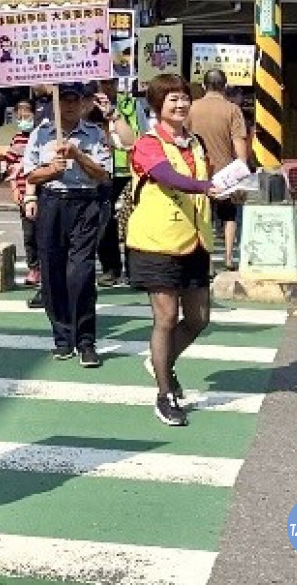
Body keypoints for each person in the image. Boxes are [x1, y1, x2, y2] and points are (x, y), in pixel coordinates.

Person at [126, 74, 216, 426]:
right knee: (165, 318)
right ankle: (164, 395)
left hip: (194, 242)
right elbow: (167, 177)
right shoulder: (148, 143)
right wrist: (207, 186)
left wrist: (226, 191)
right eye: (171, 99)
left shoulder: (196, 142)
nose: (180, 105)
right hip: (157, 243)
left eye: (183, 98)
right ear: (157, 106)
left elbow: (202, 183)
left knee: (198, 319)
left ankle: (159, 361)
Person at [24, 82, 111, 366]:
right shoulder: (41, 134)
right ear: (55, 104)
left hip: (86, 202)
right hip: (52, 202)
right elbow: (30, 175)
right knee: (52, 273)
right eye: (65, 100)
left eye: (75, 100)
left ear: (84, 103)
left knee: (81, 272)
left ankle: (86, 340)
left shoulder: (95, 134)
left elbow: (104, 174)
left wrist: (78, 155)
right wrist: (51, 170)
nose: (70, 106)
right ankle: (62, 337)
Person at [188, 69, 248, 272]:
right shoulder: (232, 110)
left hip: (199, 170)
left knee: (203, 216)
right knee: (229, 216)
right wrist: (242, 167)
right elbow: (239, 144)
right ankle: (229, 257)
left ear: (204, 86)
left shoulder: (191, 108)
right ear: (224, 86)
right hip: (226, 171)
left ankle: (208, 261)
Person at [89, 80, 142, 286]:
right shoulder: (87, 104)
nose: (107, 86)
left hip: (128, 170)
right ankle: (110, 268)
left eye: (111, 81)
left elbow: (141, 135)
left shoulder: (130, 104)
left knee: (132, 222)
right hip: (100, 172)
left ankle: (134, 270)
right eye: (103, 82)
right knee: (104, 221)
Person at [4, 98, 41, 292]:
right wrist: (14, 188)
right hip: (22, 194)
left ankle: (45, 267)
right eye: (20, 115)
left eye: (27, 114)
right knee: (29, 234)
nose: (23, 118)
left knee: (44, 233)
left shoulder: (42, 136)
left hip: (40, 193)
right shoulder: (17, 139)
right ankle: (33, 268)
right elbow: (9, 165)